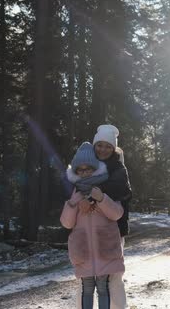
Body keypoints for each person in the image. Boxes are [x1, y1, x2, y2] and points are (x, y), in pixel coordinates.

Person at [60, 142, 125, 309]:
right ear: (76, 172)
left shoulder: (105, 187)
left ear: (95, 168)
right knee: (86, 289)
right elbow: (66, 223)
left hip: (105, 248)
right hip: (83, 251)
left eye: (88, 168)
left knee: (104, 288)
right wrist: (74, 202)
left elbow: (117, 213)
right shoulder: (74, 192)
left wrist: (101, 198)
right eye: (80, 170)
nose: (85, 172)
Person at [79, 124, 132, 309]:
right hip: (88, 228)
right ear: (94, 145)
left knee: (113, 276)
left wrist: (94, 196)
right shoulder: (87, 165)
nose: (103, 149)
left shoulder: (118, 168)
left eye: (108, 146)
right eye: (99, 145)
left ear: (113, 148)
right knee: (85, 278)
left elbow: (122, 191)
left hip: (114, 228)